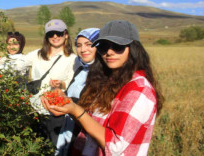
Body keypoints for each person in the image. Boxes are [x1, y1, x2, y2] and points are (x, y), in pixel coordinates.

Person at [42, 20, 164, 155]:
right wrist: (68, 105)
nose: (109, 52)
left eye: (117, 46)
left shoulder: (138, 89)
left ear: (134, 49)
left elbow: (114, 146)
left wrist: (76, 110)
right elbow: (91, 123)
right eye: (103, 47)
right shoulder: (108, 81)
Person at [16, 19, 77, 147]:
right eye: (51, 34)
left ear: (66, 34)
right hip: (34, 108)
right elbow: (19, 65)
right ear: (47, 37)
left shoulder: (72, 59)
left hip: (54, 112)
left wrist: (61, 84)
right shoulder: (37, 54)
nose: (55, 37)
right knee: (31, 147)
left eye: (59, 33)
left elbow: (70, 82)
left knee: (51, 146)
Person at [55, 28, 100, 156]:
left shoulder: (103, 75)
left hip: (86, 133)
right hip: (70, 126)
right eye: (79, 45)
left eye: (89, 44)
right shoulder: (81, 70)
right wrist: (61, 96)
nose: (82, 50)